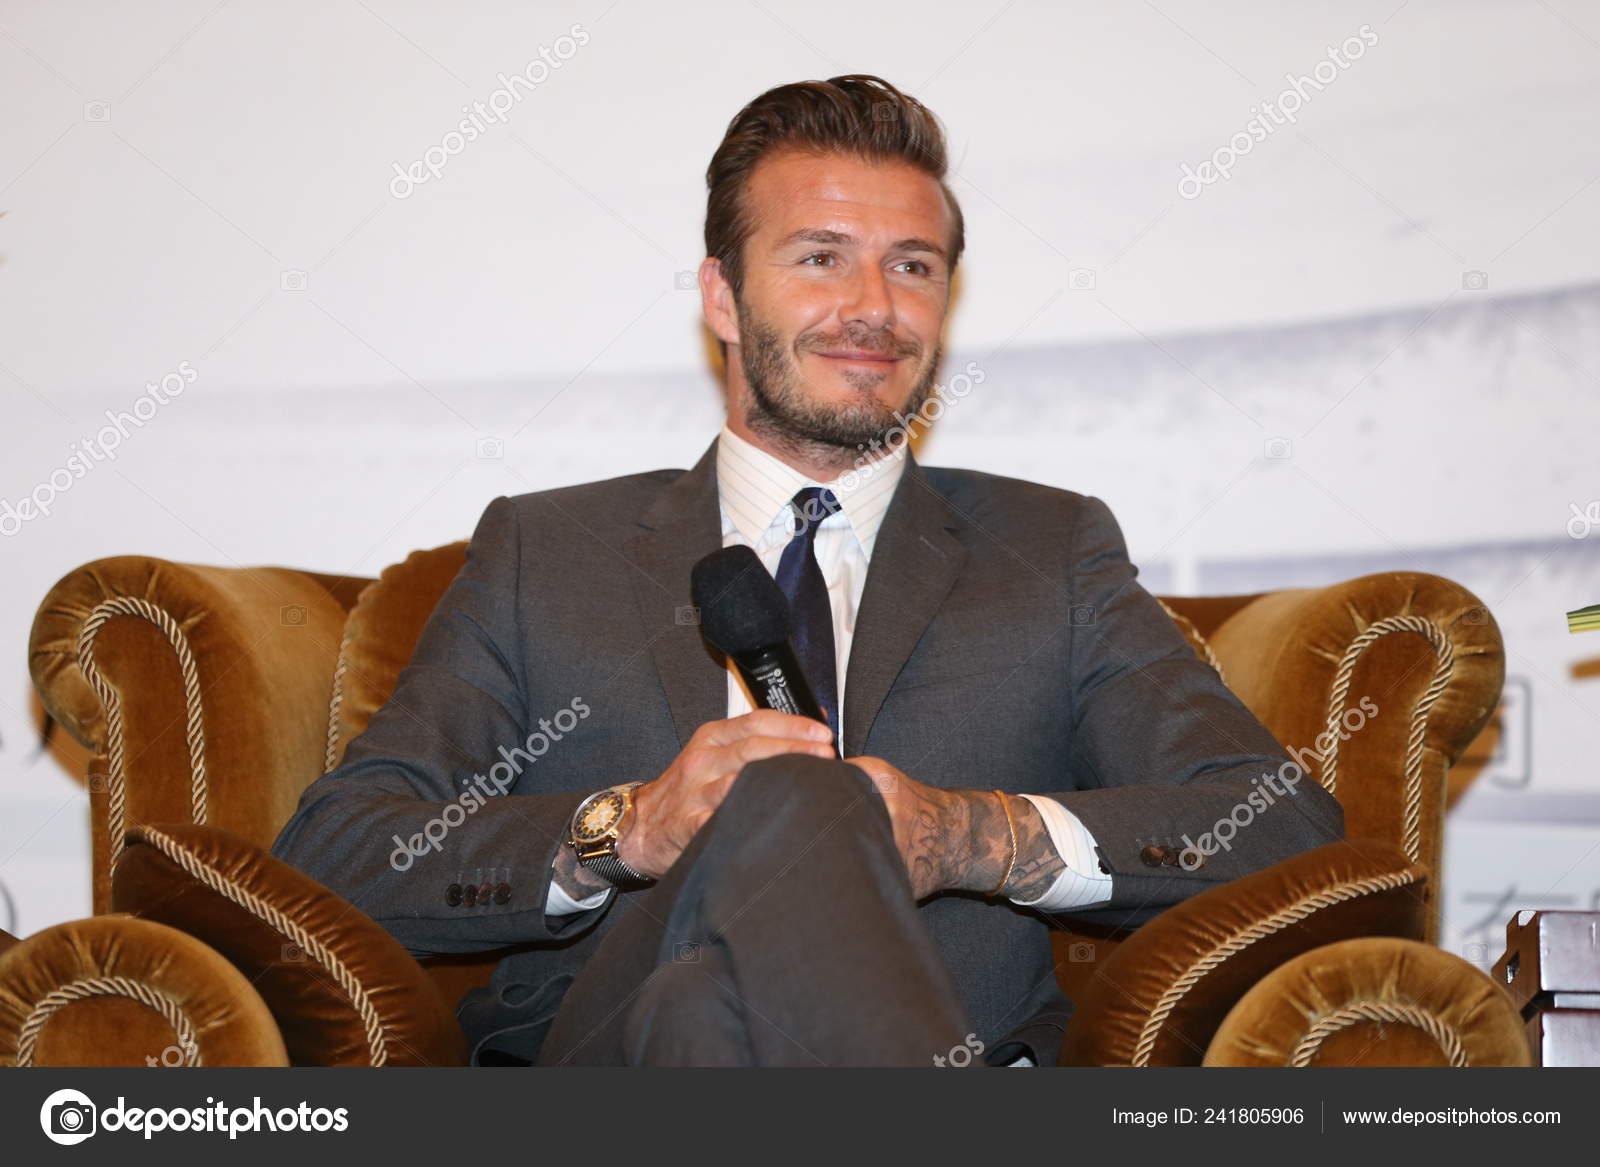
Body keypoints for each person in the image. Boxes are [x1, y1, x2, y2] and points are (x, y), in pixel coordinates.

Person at [271, 74, 1343, 1067]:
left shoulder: (1047, 551)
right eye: (821, 257)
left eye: (912, 266)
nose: (872, 305)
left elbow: (1281, 828)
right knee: (770, 850)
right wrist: (623, 830)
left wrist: (976, 836)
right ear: (723, 296)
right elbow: (335, 854)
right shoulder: (547, 551)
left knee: (702, 1012)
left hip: (911, 1049)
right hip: (602, 1060)